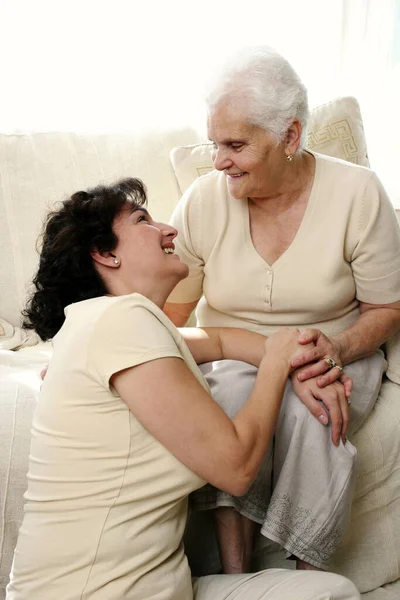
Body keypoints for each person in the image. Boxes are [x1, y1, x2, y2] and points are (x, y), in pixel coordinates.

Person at [6, 178, 360, 599]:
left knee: (329, 591)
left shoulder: (118, 325)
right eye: (143, 221)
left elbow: (223, 340)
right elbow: (236, 467)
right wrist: (278, 364)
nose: (170, 230)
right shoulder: (119, 322)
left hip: (164, 590)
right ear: (105, 253)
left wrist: (301, 368)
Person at [164, 46, 400, 574]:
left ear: (289, 137)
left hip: (337, 346)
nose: (218, 160)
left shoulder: (358, 193)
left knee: (314, 410)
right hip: (235, 354)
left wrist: (335, 349)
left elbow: (387, 307)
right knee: (228, 392)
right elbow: (170, 311)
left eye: (235, 145)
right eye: (213, 143)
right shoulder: (205, 200)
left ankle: (307, 578)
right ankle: (236, 574)